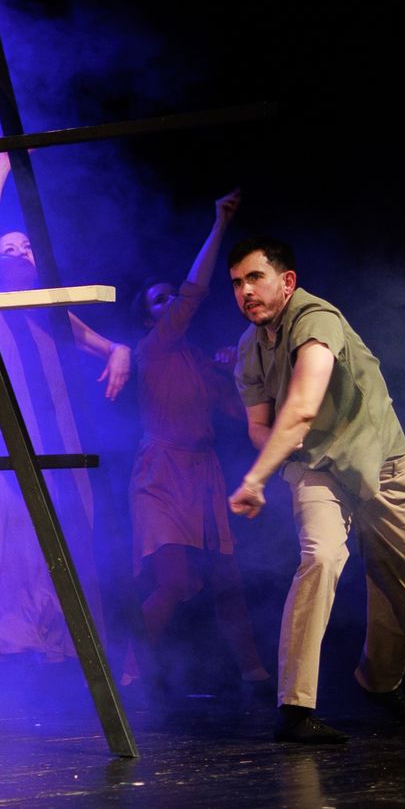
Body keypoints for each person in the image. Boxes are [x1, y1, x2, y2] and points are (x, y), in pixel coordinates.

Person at [227, 236, 405, 744]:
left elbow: (304, 406)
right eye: (237, 283)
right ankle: (296, 709)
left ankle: (379, 683)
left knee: (401, 595)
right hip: (317, 469)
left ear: (286, 282)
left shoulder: (317, 320)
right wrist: (276, 457)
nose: (245, 291)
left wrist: (256, 478)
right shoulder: (249, 349)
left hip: (382, 470)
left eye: (255, 278)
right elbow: (258, 426)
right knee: (320, 559)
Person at [0, 148, 130, 660]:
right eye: (11, 247)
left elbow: (108, 344)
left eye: (27, 245)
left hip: (54, 441)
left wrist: (120, 353)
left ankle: (53, 646)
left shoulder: (52, 313)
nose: (19, 251)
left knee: (56, 541)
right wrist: (2, 168)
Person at [127, 191, 269, 694]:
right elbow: (194, 292)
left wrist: (232, 371)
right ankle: (129, 669)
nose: (170, 305)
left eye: (169, 297)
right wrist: (219, 224)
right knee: (176, 580)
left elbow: (239, 413)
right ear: (150, 318)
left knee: (226, 582)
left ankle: (255, 674)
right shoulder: (154, 348)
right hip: (162, 471)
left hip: (202, 474)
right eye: (158, 301)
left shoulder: (200, 362)